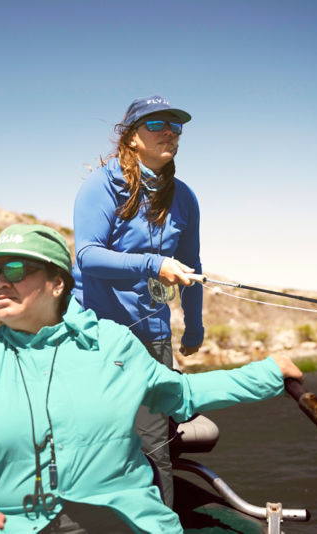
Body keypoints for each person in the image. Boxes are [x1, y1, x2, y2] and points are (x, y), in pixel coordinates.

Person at [0, 223, 303, 534]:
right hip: (10, 524)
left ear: (57, 283)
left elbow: (182, 394)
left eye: (15, 269)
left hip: (126, 521)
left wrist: (268, 373)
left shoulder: (113, 344)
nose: (0, 281)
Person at [71, 95, 202, 506]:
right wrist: (153, 263)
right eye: (157, 124)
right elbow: (87, 256)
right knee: (106, 441)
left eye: (176, 126)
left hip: (154, 335)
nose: (169, 131)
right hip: (101, 336)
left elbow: (192, 264)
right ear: (130, 138)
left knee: (154, 450)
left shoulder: (184, 197)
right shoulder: (101, 185)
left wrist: (194, 325)